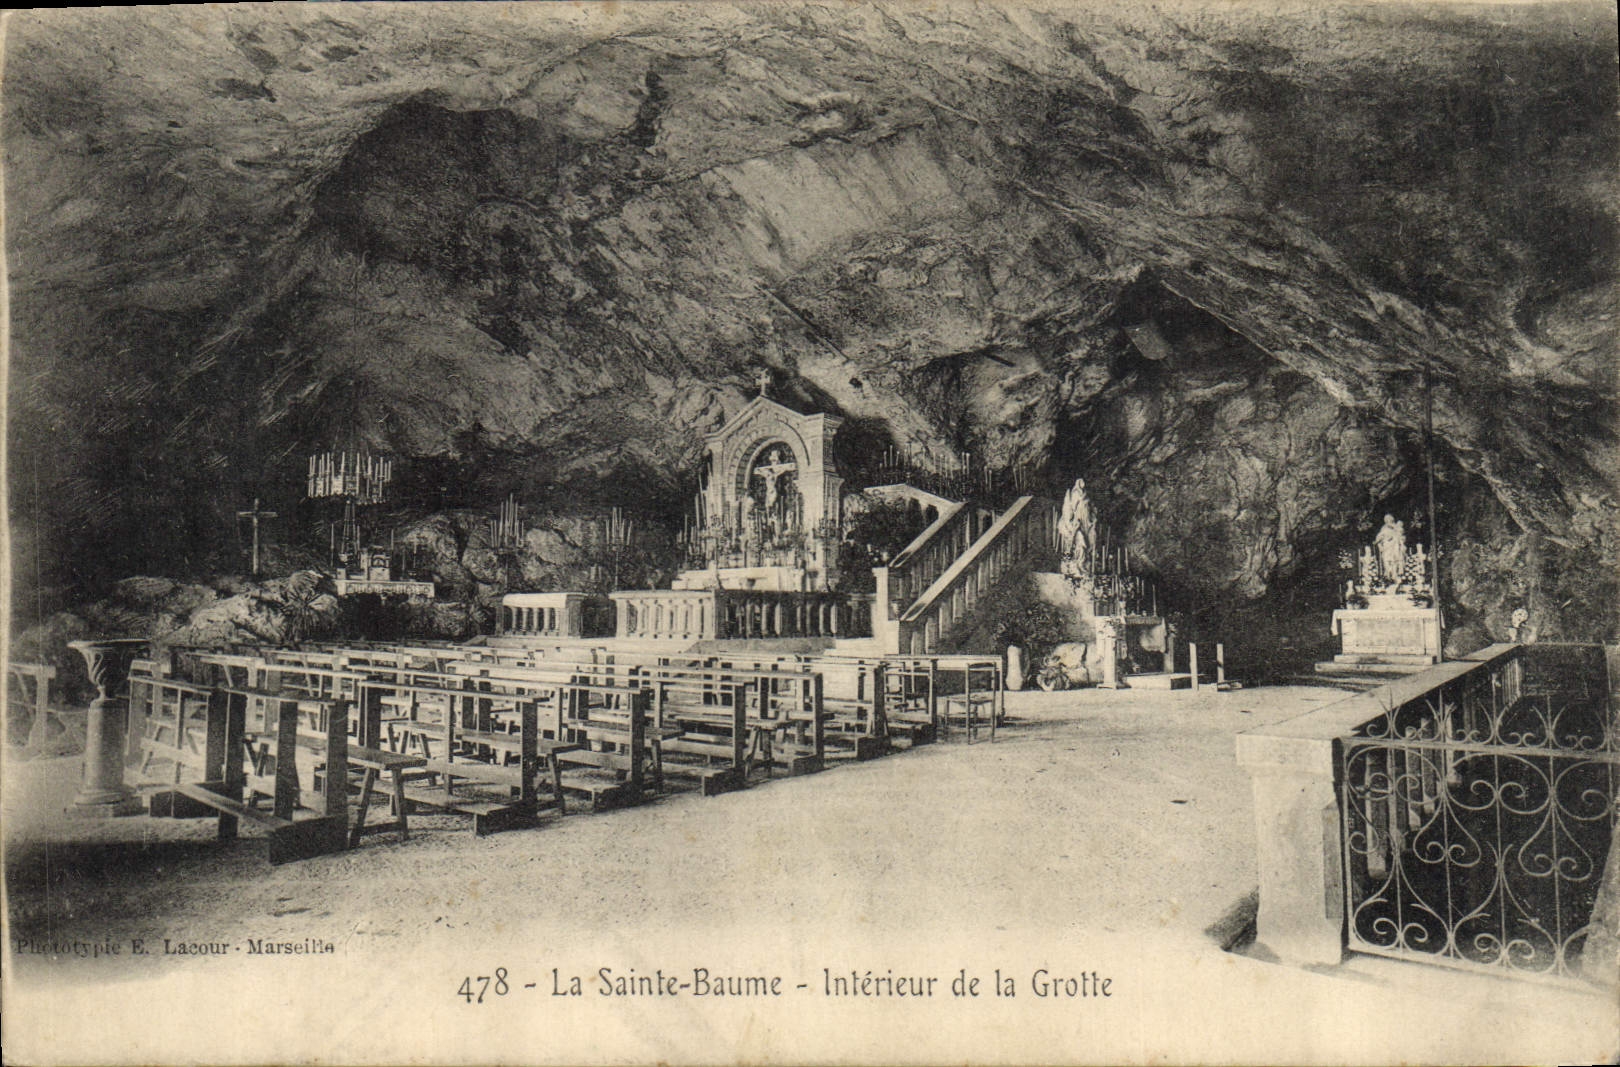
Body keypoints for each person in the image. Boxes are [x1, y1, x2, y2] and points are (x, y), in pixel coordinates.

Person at [1374, 514, 1406, 583]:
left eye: (1390, 520)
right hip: (1386, 547)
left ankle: (1394, 575)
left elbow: (1401, 536)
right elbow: (1378, 539)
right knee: (1386, 561)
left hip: (1394, 547)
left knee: (1395, 561)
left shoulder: (1396, 528)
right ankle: (1388, 575)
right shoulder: (1384, 529)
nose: (1389, 521)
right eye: (1387, 520)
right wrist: (1380, 546)